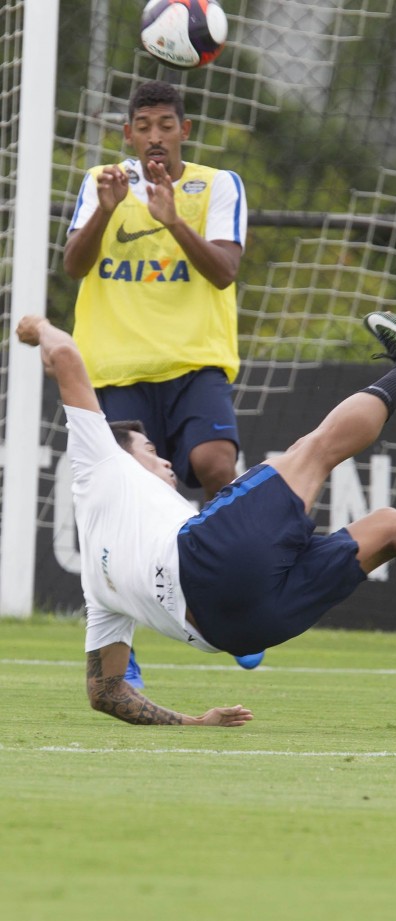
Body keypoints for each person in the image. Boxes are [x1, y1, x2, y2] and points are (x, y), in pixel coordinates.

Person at [16, 310, 396, 728]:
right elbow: (65, 354)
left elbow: (105, 691)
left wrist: (196, 723)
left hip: (236, 630)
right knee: (312, 452)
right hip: (205, 564)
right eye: (147, 449)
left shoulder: (96, 586)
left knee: (385, 528)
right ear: (119, 453)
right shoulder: (97, 463)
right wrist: (36, 328)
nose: (163, 458)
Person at [64, 80, 249, 686]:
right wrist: (110, 209)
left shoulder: (217, 185)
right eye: (143, 125)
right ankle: (122, 652)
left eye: (166, 125)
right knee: (119, 515)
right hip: (116, 371)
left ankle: (240, 608)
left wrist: (172, 221)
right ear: (128, 134)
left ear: (183, 131)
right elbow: (73, 264)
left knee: (217, 462)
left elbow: (223, 272)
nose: (155, 137)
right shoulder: (103, 182)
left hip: (194, 363)